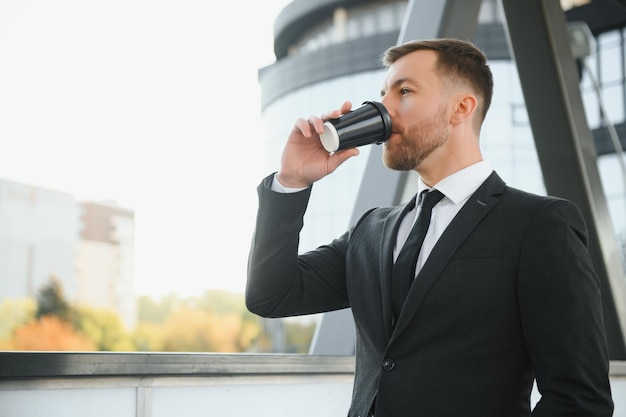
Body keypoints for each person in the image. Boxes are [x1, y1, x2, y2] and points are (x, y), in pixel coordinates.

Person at [246, 38, 614, 416]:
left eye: (404, 91)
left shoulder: (538, 225)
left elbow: (579, 399)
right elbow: (271, 294)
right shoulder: (371, 231)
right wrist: (291, 181)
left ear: (461, 108)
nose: (383, 108)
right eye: (382, 93)